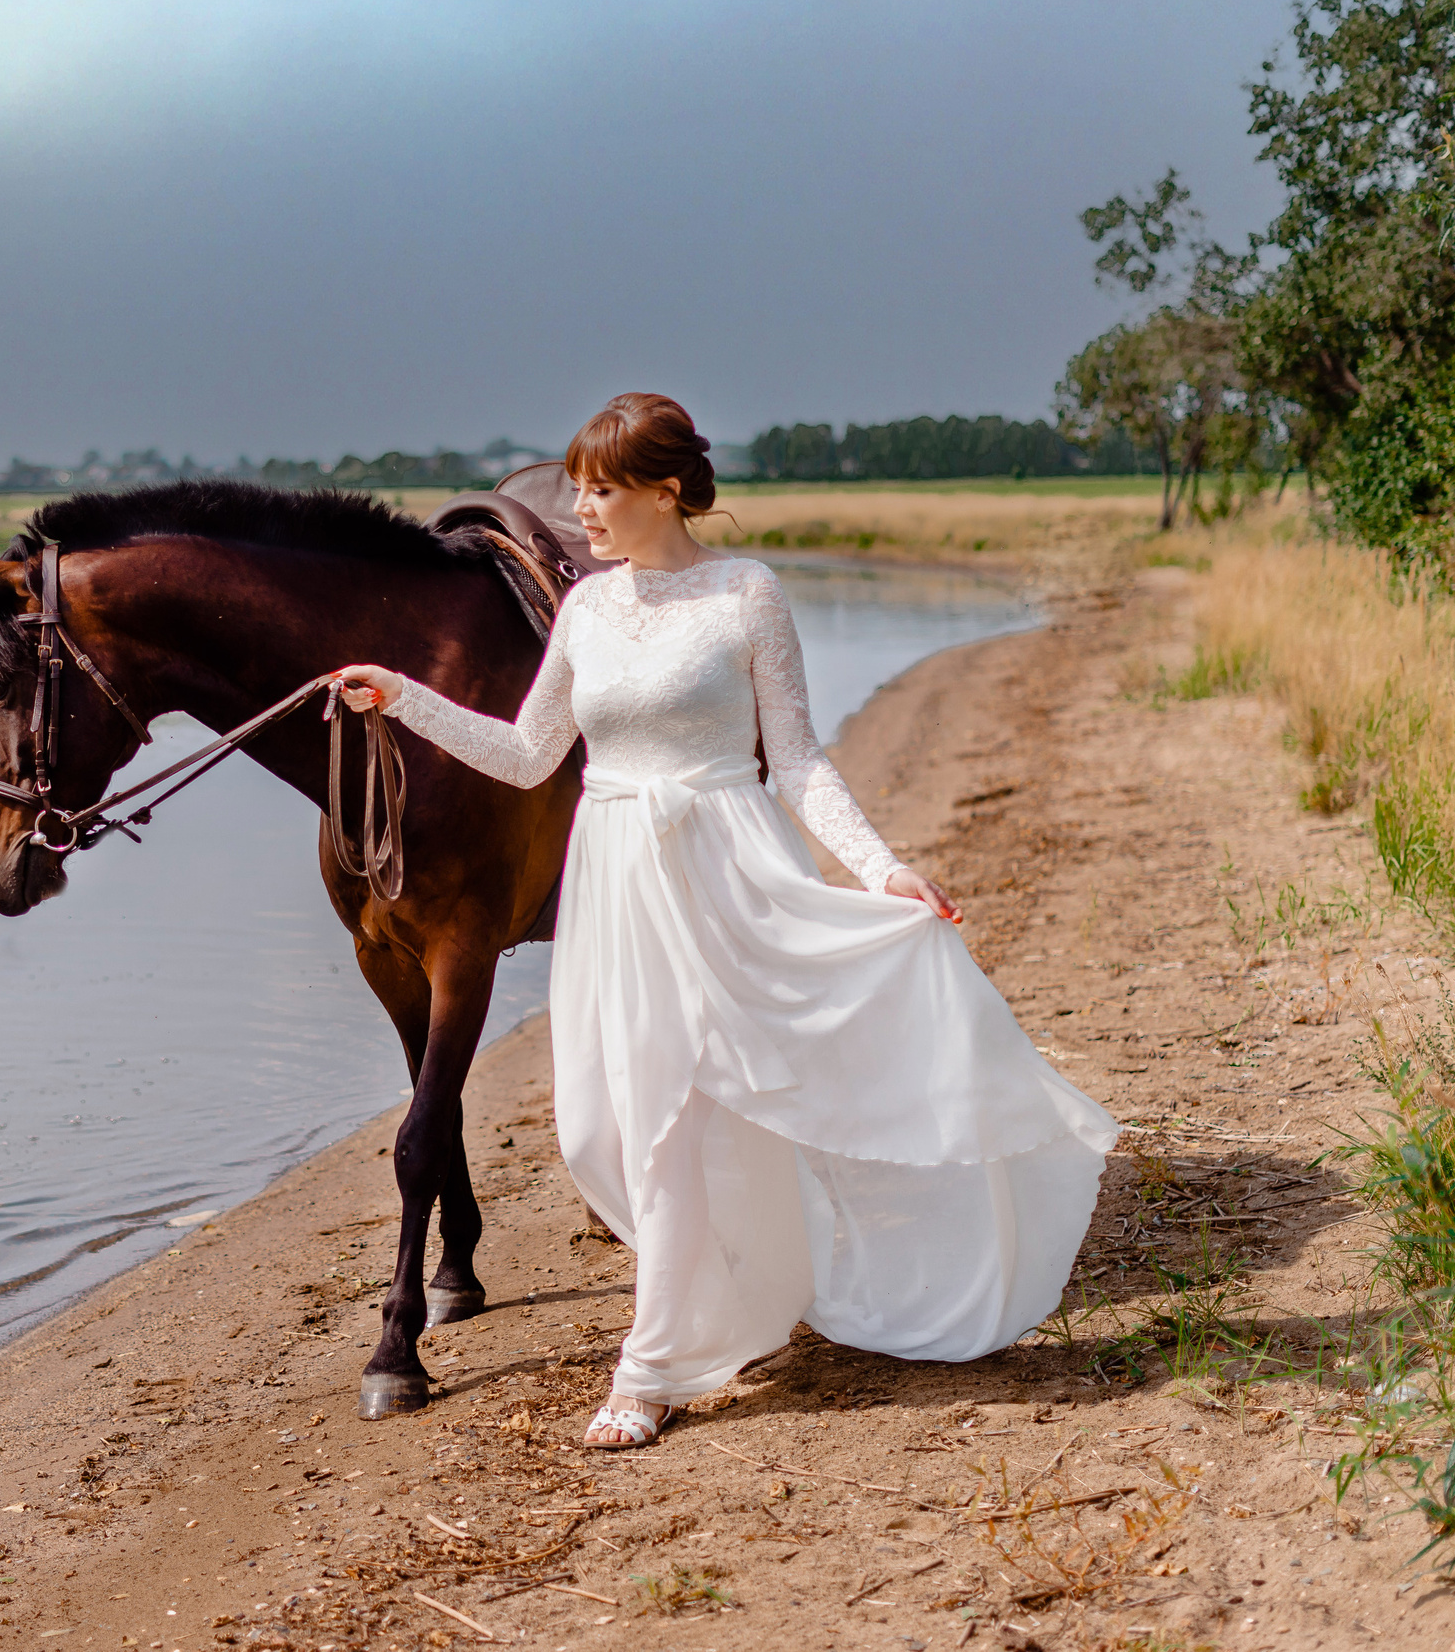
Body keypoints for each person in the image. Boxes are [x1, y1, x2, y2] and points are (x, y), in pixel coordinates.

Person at [333, 392, 1119, 1449]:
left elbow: (795, 759)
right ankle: (739, 1289)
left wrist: (882, 871)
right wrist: (403, 698)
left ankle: (650, 1366)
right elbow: (528, 754)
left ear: (666, 488)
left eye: (601, 487)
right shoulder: (585, 612)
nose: (581, 507)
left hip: (727, 865)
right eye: (577, 486)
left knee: (682, 1115)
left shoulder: (747, 592)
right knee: (598, 1124)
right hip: (614, 876)